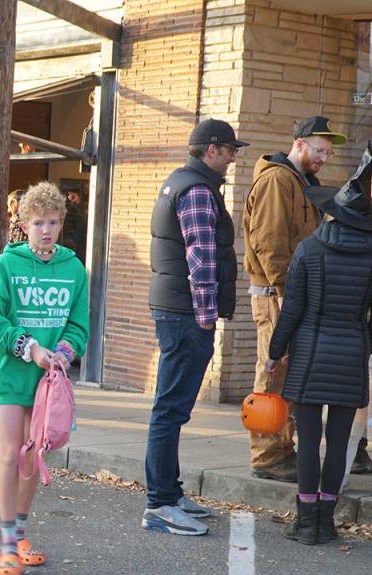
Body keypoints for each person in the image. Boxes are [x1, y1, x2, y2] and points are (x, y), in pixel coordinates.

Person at [0, 181, 89, 575]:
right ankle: (6, 545)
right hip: (9, 373)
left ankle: (21, 533)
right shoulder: (6, 266)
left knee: (32, 457)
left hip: (47, 382)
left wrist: (63, 352)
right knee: (11, 453)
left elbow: (79, 325)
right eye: (38, 222)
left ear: (61, 224)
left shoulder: (74, 269)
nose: (46, 229)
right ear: (24, 225)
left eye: (53, 222)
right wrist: (30, 348)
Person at [143, 119, 246, 536]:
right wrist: (206, 319)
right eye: (231, 150)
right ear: (212, 150)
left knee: (173, 409)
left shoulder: (180, 182)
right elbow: (202, 261)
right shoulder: (199, 191)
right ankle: (160, 505)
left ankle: (170, 491)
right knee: (170, 410)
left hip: (175, 310)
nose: (234, 157)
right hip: (185, 314)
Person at [267, 143, 372, 546]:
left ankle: (305, 521)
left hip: (309, 353)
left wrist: (275, 353)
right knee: (340, 439)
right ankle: (326, 522)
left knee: (308, 441)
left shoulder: (309, 250)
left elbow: (290, 311)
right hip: (350, 355)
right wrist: (362, 341)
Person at [243, 115, 348, 483]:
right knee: (272, 369)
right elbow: (270, 241)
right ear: (300, 143)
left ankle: (280, 449)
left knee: (285, 371)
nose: (324, 158)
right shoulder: (277, 179)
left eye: (329, 154)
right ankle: (268, 455)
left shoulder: (301, 181)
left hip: (287, 292)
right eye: (320, 150)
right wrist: (286, 293)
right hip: (276, 292)